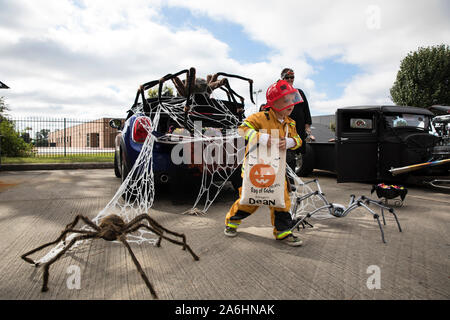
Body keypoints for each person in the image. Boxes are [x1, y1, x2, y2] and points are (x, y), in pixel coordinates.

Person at [224, 80, 304, 246]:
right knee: (251, 200)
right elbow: (242, 129)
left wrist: (290, 142)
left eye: (292, 100)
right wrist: (260, 137)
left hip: (276, 168)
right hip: (255, 167)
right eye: (285, 100)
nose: (291, 104)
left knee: (281, 199)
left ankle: (283, 232)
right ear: (273, 104)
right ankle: (232, 221)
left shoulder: (291, 123)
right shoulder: (260, 117)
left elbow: (298, 140)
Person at [280, 68, 314, 172]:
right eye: (287, 77)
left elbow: (306, 108)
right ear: (282, 78)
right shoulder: (279, 91)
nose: (290, 79)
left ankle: (290, 180)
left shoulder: (299, 92)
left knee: (294, 151)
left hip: (298, 125)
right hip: (284, 125)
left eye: (292, 77)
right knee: (285, 151)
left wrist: (307, 125)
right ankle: (285, 179)